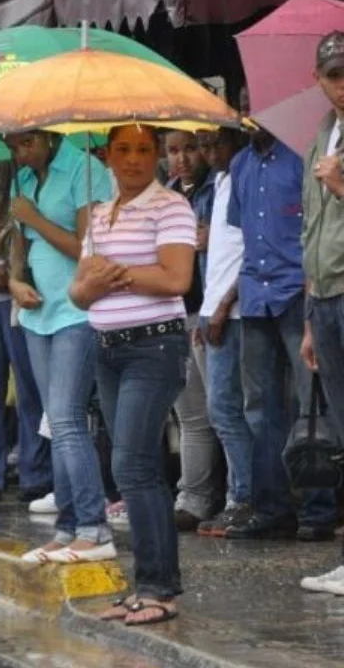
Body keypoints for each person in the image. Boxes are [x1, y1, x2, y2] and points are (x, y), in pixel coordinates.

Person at [70, 123, 196, 627]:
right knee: (130, 468)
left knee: (134, 466)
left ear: (157, 153)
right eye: (122, 149)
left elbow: (176, 277)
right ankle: (148, 583)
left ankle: (157, 589)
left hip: (153, 346)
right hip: (107, 348)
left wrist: (113, 275)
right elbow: (79, 293)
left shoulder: (171, 206)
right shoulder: (101, 214)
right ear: (106, 155)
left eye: (144, 149)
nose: (134, 159)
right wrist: (94, 281)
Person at [6, 132, 114, 564]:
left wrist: (33, 217)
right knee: (55, 421)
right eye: (12, 146)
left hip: (76, 310)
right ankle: (68, 527)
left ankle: (94, 527)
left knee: (68, 417)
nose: (19, 153)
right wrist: (14, 283)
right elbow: (18, 247)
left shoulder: (84, 169)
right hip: (38, 312)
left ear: (47, 134)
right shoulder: (22, 179)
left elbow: (87, 250)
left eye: (25, 143)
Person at [226, 124, 337, 540]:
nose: (250, 116)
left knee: (313, 404)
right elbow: (241, 233)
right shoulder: (240, 164)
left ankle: (318, 509)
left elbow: (316, 227)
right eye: (244, 106)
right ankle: (272, 507)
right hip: (255, 294)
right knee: (259, 407)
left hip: (297, 290)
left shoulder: (302, 158)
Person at [0, 164, 50, 504]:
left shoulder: (25, 192)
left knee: (29, 391)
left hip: (22, 301)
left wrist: (14, 273)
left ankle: (35, 473)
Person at [298, 31, 344, 596]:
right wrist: (310, 317)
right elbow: (310, 229)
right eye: (334, 75)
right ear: (318, 79)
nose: (342, 84)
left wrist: (341, 183)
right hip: (325, 297)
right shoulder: (320, 138)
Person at [195, 129, 253, 537]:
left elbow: (252, 249)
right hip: (214, 309)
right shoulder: (218, 182)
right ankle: (240, 495)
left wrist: (222, 305)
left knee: (228, 409)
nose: (210, 151)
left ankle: (243, 498)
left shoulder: (243, 178)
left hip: (234, 313)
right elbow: (218, 257)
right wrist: (206, 309)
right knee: (223, 410)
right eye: (204, 144)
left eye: (218, 143)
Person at [163, 130, 218, 531]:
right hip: (176, 313)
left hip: (210, 312)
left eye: (190, 149)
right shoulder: (167, 196)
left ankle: (238, 495)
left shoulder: (217, 187)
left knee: (224, 411)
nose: (182, 159)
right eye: (173, 151)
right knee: (191, 415)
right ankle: (193, 498)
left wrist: (212, 237)